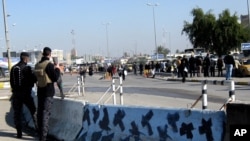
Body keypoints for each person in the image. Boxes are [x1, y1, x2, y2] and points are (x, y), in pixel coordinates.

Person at [34, 47, 60, 141]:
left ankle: (40, 134)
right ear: (50, 54)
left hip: (40, 91)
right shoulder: (48, 65)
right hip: (48, 92)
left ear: (43, 54)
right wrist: (57, 69)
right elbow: (55, 78)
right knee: (45, 114)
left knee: (40, 113)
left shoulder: (37, 65)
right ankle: (43, 137)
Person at [10, 52, 37, 138]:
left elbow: (11, 82)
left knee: (17, 114)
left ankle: (19, 133)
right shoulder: (27, 68)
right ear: (25, 59)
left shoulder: (14, 68)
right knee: (33, 111)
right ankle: (38, 130)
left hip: (16, 94)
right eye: (28, 59)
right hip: (26, 94)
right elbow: (33, 79)